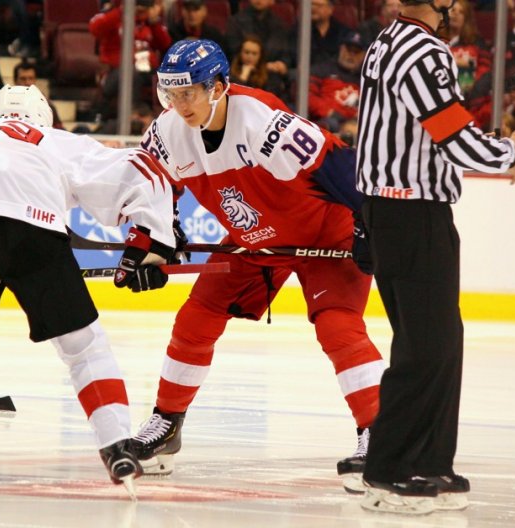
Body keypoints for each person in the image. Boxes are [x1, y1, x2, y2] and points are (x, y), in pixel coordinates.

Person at [131, 40, 385, 486]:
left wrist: (370, 226)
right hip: (255, 238)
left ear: (220, 87)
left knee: (337, 326)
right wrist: (152, 243)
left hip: (326, 229)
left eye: (188, 92)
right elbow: (153, 188)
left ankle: (380, 435)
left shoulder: (262, 122)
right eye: (170, 93)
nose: (178, 104)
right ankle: (167, 424)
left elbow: (343, 166)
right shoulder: (167, 131)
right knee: (196, 318)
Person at [0, 84, 177, 495]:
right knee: (83, 347)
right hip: (30, 228)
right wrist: (152, 244)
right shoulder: (53, 140)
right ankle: (117, 445)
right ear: (43, 117)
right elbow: (141, 170)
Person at [355, 0, 515, 515]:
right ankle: (388, 471)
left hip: (391, 212)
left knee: (436, 341)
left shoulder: (384, 41)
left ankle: (430, 461)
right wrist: (508, 155)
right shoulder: (424, 50)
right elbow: (453, 137)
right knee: (428, 347)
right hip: (413, 213)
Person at [308, 31, 367, 133]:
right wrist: (329, 112)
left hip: (355, 126)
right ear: (341, 48)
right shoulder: (322, 70)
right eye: (349, 50)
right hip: (327, 123)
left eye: (356, 52)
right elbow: (307, 96)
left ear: (363, 55)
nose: (351, 55)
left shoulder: (366, 80)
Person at [443, 0, 490, 96]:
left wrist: (472, 93)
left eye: (461, 12)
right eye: (453, 10)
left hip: (470, 97)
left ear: (467, 19)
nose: (455, 14)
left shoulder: (477, 42)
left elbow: (485, 70)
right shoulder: (436, 40)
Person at [229, 34, 289, 101]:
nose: (250, 56)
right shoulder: (230, 72)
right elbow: (233, 96)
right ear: (240, 53)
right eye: (246, 52)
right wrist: (243, 77)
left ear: (260, 56)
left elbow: (271, 99)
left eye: (254, 53)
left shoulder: (269, 75)